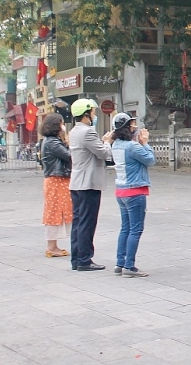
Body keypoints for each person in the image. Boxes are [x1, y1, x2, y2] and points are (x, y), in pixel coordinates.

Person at [68, 98, 113, 271]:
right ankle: (85, 259)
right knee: (87, 222)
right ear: (86, 114)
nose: (94, 115)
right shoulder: (87, 132)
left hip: (77, 182)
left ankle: (77, 259)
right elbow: (103, 153)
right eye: (93, 112)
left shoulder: (74, 131)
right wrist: (107, 142)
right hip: (88, 183)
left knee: (78, 222)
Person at [110, 112, 156, 278]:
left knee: (125, 228)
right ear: (127, 128)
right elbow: (150, 160)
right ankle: (129, 266)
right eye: (133, 125)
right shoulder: (132, 146)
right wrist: (145, 143)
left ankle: (120, 263)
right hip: (134, 191)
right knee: (135, 229)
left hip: (121, 190)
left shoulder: (115, 145)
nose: (136, 128)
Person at [40, 113, 73, 257]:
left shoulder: (51, 141)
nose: (63, 126)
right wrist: (71, 143)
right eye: (61, 123)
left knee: (59, 211)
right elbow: (69, 156)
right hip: (56, 180)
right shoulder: (52, 142)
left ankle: (53, 245)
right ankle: (51, 247)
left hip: (58, 180)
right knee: (54, 211)